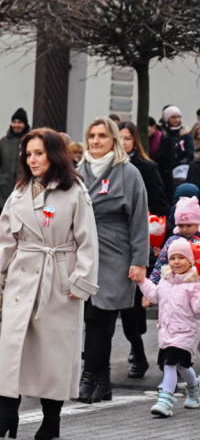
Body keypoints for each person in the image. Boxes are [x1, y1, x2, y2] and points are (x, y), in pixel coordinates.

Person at [0, 128, 98, 440]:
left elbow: (87, 241)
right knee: (12, 349)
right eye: (28, 154)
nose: (32, 160)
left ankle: (51, 419)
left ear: (53, 155)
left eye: (39, 153)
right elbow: (5, 242)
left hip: (59, 279)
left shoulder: (74, 191)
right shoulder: (19, 192)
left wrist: (81, 281)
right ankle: (8, 417)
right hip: (22, 276)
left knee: (54, 352)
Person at [75, 118, 148, 404]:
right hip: (83, 254)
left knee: (99, 316)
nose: (95, 141)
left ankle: (90, 376)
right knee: (93, 318)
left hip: (116, 254)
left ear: (114, 139)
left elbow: (139, 219)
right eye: (91, 135)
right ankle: (102, 380)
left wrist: (140, 260)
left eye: (102, 136)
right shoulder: (78, 172)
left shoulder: (128, 173)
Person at [121, 120, 169, 378]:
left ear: (135, 141)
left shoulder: (147, 168)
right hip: (114, 247)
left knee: (134, 307)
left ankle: (140, 353)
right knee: (122, 308)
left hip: (141, 244)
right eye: (119, 138)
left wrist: (151, 236)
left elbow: (161, 206)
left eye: (127, 138)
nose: (122, 143)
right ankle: (137, 353)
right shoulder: (108, 168)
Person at [136, 238, 200, 417]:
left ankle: (165, 400)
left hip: (186, 333)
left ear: (191, 260)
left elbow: (197, 309)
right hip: (167, 332)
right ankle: (194, 389)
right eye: (173, 258)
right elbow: (154, 295)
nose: (176, 262)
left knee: (170, 364)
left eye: (181, 258)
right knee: (181, 367)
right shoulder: (165, 280)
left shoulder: (194, 283)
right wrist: (142, 281)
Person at [0, 108, 30, 214]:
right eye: (14, 122)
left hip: (23, 189)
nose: (16, 125)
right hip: (3, 191)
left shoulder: (30, 143)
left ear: (25, 124)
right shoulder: (3, 142)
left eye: (20, 122)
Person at [156, 105, 193, 203]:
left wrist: (180, 164)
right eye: (173, 117)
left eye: (178, 117)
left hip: (181, 171)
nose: (176, 120)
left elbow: (189, 153)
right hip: (164, 171)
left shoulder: (185, 133)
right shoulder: (160, 133)